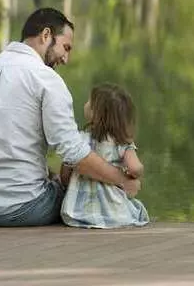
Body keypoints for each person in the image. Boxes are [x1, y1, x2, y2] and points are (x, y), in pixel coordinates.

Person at [0, 7, 141, 227]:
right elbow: (74, 154)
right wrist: (122, 181)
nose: (66, 59)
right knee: (77, 192)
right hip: (22, 209)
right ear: (46, 35)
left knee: (54, 178)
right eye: (65, 47)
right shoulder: (47, 80)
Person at [60, 83, 150, 229]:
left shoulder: (79, 140)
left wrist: (67, 184)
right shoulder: (122, 143)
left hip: (76, 213)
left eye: (89, 101)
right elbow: (134, 167)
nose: (85, 104)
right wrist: (134, 176)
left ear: (96, 113)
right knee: (137, 209)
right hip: (114, 213)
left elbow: (65, 174)